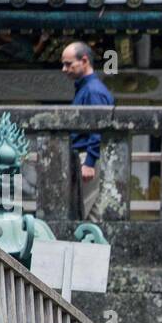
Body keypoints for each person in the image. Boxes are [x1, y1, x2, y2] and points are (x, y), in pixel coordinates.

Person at [61, 41, 114, 220]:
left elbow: (97, 126)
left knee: (88, 213)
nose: (64, 69)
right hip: (82, 156)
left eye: (68, 64)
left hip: (87, 157)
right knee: (88, 213)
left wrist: (90, 162)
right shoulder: (86, 88)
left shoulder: (93, 91)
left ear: (84, 61)